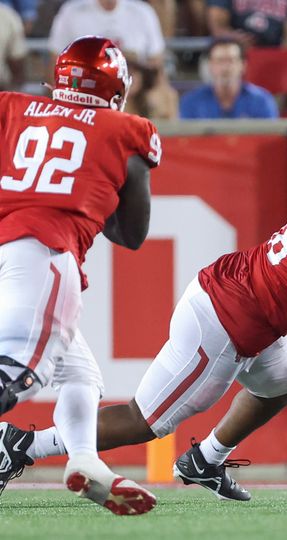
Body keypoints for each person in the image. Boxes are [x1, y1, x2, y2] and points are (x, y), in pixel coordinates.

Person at [0, 138, 287, 502]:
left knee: (281, 384)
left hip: (246, 303)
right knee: (146, 421)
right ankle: (20, 446)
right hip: (226, 321)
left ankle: (205, 459)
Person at [0, 36, 161, 514]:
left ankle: (85, 461)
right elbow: (132, 234)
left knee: (82, 376)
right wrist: (92, 189)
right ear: (117, 90)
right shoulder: (126, 130)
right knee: (13, 379)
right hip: (42, 254)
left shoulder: (11, 107)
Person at [179, 38, 279, 120]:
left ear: (243, 65)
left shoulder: (262, 100)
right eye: (220, 61)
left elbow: (270, 139)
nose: (225, 68)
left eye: (231, 61)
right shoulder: (191, 102)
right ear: (210, 65)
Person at [48, 0, 166, 67]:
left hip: (134, 92)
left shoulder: (143, 12)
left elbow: (156, 61)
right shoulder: (71, 11)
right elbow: (56, 60)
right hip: (85, 89)